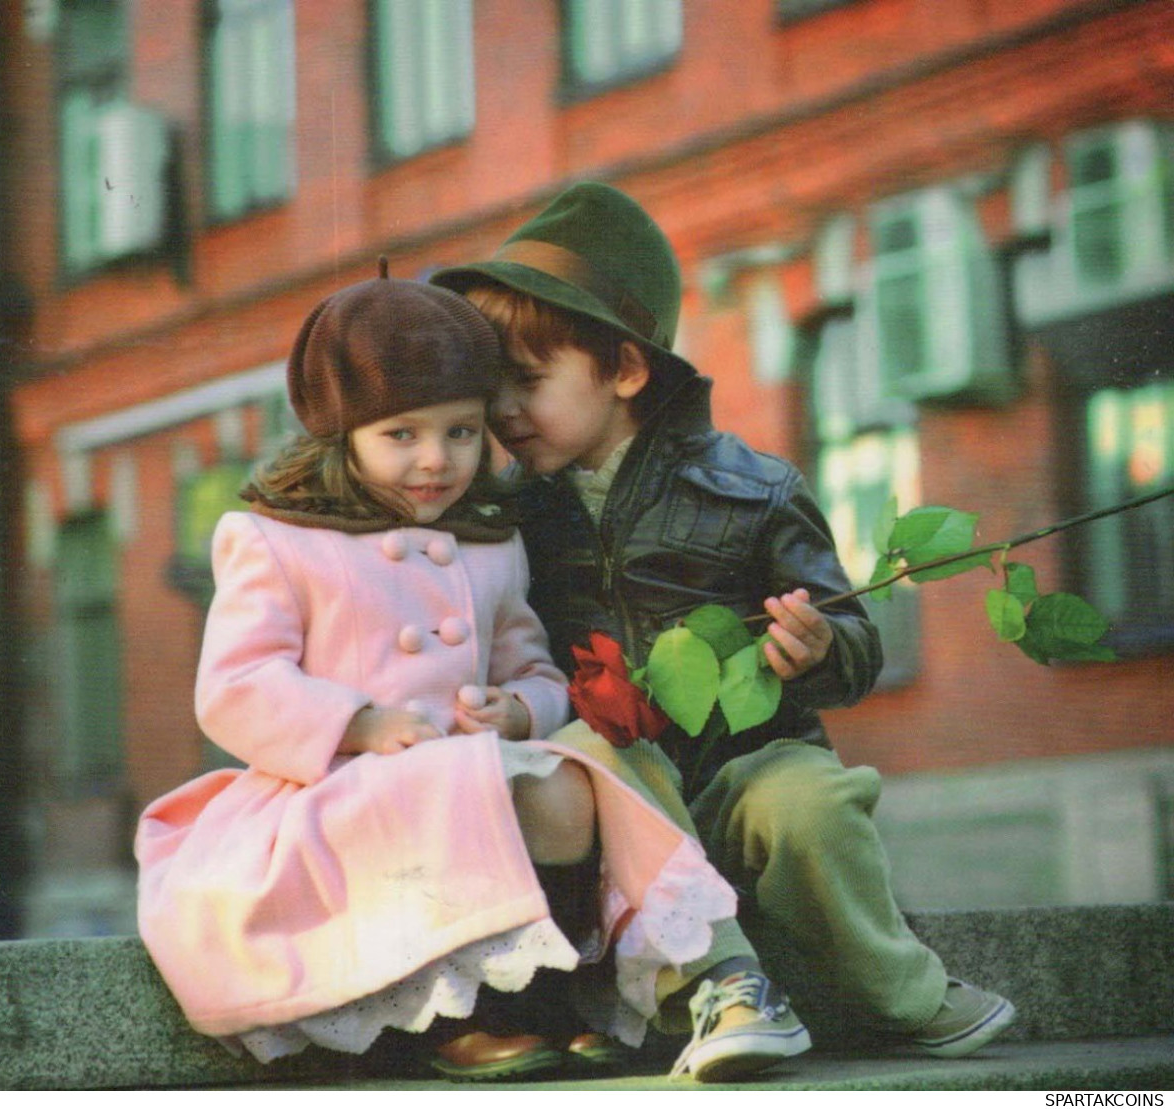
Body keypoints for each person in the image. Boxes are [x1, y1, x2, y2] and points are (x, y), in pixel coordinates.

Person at [430, 182, 1017, 1080]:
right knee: (592, 741)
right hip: (609, 810)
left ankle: (902, 993)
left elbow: (855, 640)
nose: (504, 410)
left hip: (748, 772)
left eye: (529, 379)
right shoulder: (504, 518)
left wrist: (819, 648)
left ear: (623, 370)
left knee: (814, 798)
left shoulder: (752, 488)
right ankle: (726, 985)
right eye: (492, 385)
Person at [134, 263, 740, 1081]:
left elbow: (532, 665)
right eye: (402, 435)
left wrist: (519, 710)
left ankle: (552, 988)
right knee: (444, 794)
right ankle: (454, 1015)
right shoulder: (275, 538)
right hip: (333, 788)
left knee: (566, 789)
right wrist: (358, 722)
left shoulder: (489, 542)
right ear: (341, 433)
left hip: (467, 766)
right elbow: (236, 686)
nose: (435, 460)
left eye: (460, 431)